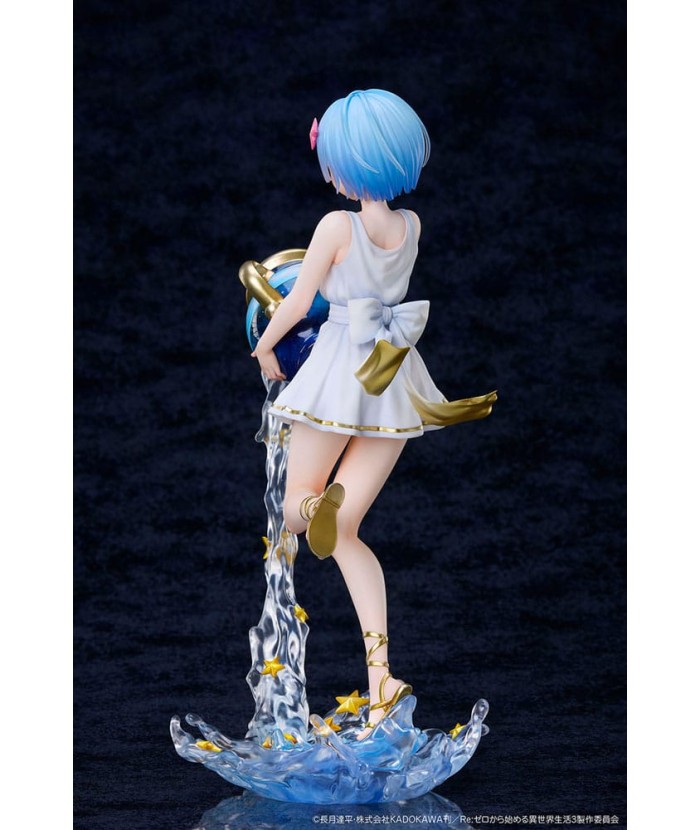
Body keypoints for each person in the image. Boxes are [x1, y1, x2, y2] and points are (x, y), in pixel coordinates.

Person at [252, 89, 496, 741]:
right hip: (390, 377)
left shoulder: (336, 227)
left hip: (339, 374)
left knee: (294, 512)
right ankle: (382, 677)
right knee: (348, 531)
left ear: (347, 163)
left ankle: (314, 505)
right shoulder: (411, 226)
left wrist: (266, 346)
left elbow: (298, 301)